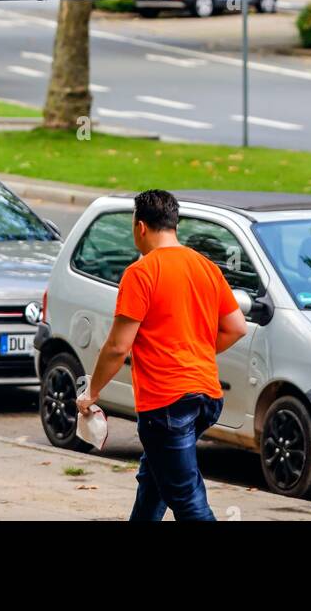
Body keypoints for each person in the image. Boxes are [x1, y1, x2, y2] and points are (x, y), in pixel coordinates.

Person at [77, 188, 247, 521]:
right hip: (207, 398)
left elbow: (117, 347)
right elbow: (236, 327)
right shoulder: (205, 267)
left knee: (187, 499)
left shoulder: (142, 273)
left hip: (167, 403)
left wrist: (91, 393)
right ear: (173, 223)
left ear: (140, 227)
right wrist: (193, 350)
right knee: (155, 478)